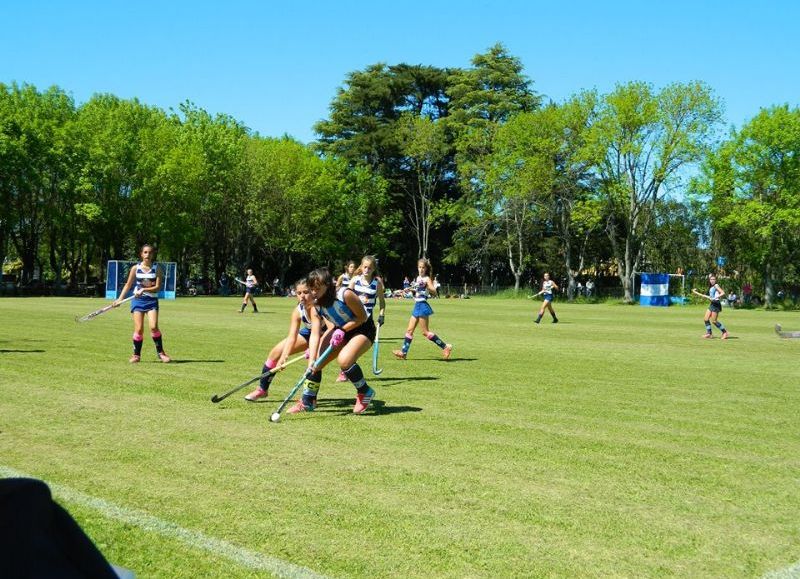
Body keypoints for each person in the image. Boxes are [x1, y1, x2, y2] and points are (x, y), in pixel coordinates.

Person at [288, 267, 376, 415]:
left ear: (328, 285)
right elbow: (315, 334)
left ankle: (364, 392)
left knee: (344, 361)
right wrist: (312, 360)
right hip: (340, 331)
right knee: (316, 363)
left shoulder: (345, 294)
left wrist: (342, 330)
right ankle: (308, 402)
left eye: (317, 289)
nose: (313, 293)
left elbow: (362, 317)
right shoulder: (315, 305)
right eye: (311, 289)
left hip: (362, 329)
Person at [244, 278, 324, 401]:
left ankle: (309, 400)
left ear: (313, 291)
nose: (302, 296)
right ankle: (262, 389)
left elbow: (322, 333)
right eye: (299, 293)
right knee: (275, 353)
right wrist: (284, 357)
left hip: (328, 335)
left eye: (306, 292)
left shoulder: (319, 306)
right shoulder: (298, 311)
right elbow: (292, 336)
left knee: (313, 364)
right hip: (309, 333)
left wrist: (315, 349)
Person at [332, 255, 386, 383]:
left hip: (366, 321)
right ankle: (345, 371)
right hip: (353, 318)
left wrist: (382, 315)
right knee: (346, 344)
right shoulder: (355, 280)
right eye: (365, 267)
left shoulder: (376, 283)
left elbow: (382, 303)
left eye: (370, 268)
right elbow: (347, 298)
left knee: (354, 347)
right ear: (361, 267)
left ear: (374, 269)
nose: (367, 270)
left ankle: (345, 371)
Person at [114, 244, 171, 363]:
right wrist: (119, 299)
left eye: (150, 252)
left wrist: (144, 290)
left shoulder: (157, 268)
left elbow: (157, 287)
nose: (147, 255)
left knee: (153, 327)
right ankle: (136, 355)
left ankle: (161, 353)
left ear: (153, 254)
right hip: (138, 301)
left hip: (151, 301)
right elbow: (128, 285)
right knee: (139, 329)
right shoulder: (135, 268)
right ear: (141, 254)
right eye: (145, 252)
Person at [393, 258, 453, 360]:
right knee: (409, 330)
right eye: (419, 267)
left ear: (426, 269)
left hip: (423, 305)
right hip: (417, 305)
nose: (421, 269)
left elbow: (434, 291)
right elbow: (417, 290)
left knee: (425, 332)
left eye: (423, 267)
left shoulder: (427, 279)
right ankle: (403, 353)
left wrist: (426, 286)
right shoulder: (417, 278)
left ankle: (445, 347)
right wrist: (408, 289)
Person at [692, 274, 729, 339]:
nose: (712, 281)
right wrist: (696, 292)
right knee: (706, 319)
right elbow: (707, 296)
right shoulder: (711, 287)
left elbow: (723, 292)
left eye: (713, 279)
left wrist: (715, 297)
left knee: (714, 321)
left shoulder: (716, 285)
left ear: (716, 280)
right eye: (711, 279)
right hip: (712, 304)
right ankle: (709, 333)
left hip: (716, 304)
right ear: (709, 280)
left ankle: (725, 332)